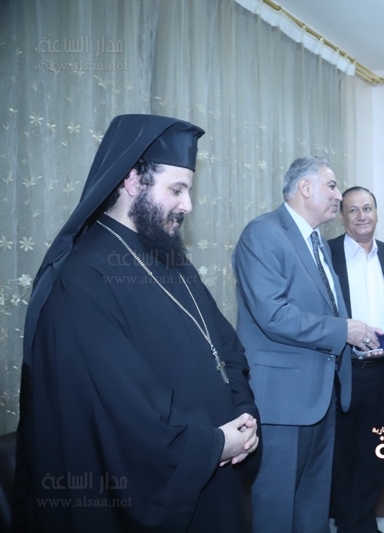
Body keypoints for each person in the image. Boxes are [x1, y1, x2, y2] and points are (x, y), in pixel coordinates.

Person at [13, 114, 260, 532]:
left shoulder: (170, 256)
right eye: (176, 189)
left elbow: (225, 347)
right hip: (165, 485)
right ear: (132, 181)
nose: (187, 205)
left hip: (215, 472)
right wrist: (214, 443)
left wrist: (244, 414)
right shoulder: (82, 277)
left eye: (188, 190)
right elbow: (123, 407)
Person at [233, 157, 382, 533]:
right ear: (305, 188)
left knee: (313, 506)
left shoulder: (316, 242)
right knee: (277, 506)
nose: (338, 195)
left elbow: (323, 307)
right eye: (331, 186)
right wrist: (343, 331)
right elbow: (273, 315)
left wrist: (358, 337)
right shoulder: (263, 233)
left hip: (321, 396)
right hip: (282, 401)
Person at [328, 187, 384, 533]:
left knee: (375, 454)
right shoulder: (327, 254)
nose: (361, 216)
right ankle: (349, 524)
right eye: (353, 210)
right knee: (342, 457)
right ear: (342, 217)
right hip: (342, 372)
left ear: (377, 213)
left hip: (381, 372)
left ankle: (364, 523)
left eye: (367, 208)